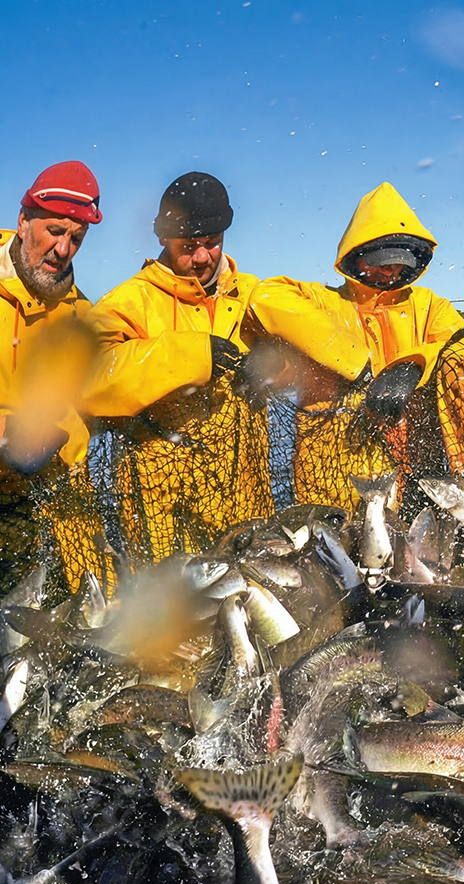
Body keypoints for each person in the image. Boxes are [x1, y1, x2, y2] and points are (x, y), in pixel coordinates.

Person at [81, 172, 272, 563]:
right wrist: (191, 354)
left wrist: (275, 365)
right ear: (162, 238)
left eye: (212, 243)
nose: (202, 256)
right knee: (174, 617)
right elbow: (89, 379)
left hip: (245, 495)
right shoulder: (127, 302)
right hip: (161, 509)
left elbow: (301, 353)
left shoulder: (254, 294)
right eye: (188, 246)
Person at [243, 181, 464, 510]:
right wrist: (357, 363)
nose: (390, 269)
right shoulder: (322, 301)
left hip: (415, 473)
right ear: (354, 257)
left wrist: (412, 365)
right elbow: (264, 297)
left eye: (399, 261)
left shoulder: (432, 307)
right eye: (380, 261)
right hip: (331, 483)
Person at [0, 161, 103, 594]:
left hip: (47, 508)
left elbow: (94, 403)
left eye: (76, 237)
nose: (64, 249)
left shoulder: (82, 315)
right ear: (23, 222)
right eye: (55, 231)